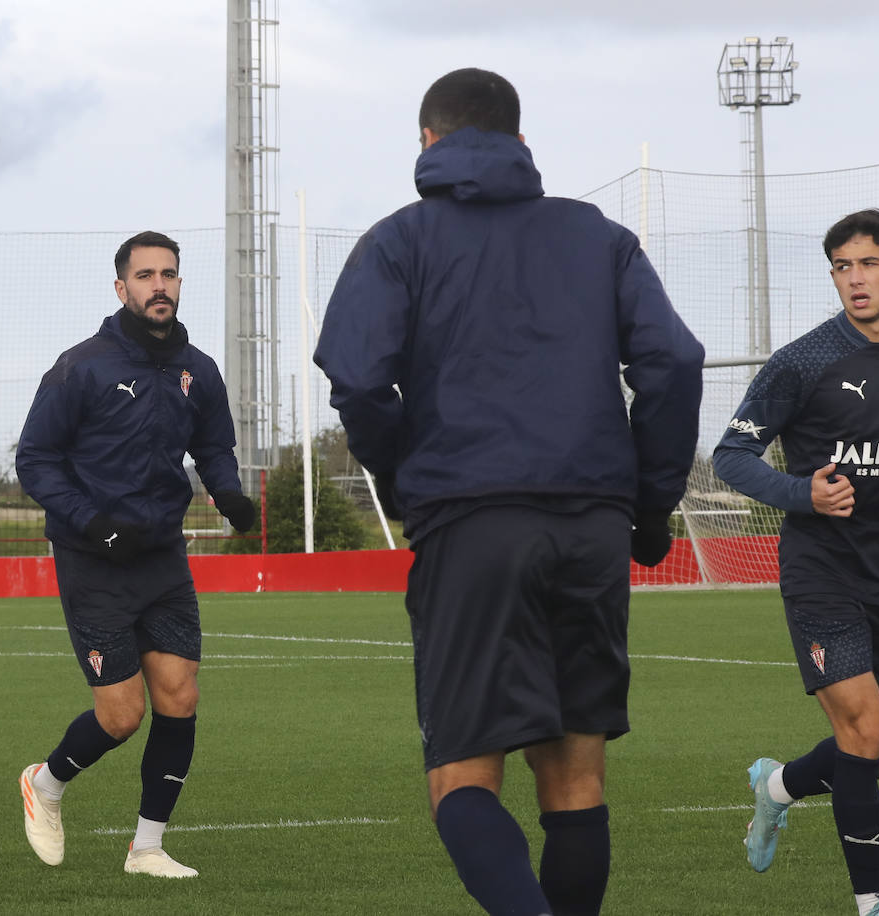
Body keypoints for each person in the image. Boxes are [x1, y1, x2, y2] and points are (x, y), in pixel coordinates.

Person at [313, 68, 704, 916]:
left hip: (473, 522)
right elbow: (674, 363)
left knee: (462, 775)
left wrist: (403, 476)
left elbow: (356, 377)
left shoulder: (400, 240)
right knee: (574, 777)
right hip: (592, 522)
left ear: (426, 143)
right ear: (523, 144)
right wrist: (648, 502)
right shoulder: (596, 236)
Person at [713, 209, 879, 916]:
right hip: (822, 573)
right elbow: (732, 454)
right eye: (842, 266)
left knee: (878, 752)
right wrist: (797, 493)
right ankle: (875, 902)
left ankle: (776, 788)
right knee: (862, 733)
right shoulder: (802, 361)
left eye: (868, 264)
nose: (855, 279)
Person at [14, 230, 257, 878]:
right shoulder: (81, 367)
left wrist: (230, 495)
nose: (160, 286)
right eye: (146, 275)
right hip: (93, 562)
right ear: (121, 288)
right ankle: (45, 783)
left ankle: (146, 848)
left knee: (179, 696)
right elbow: (35, 460)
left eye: (169, 274)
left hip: (161, 559)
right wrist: (92, 523)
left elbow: (212, 445)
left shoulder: (198, 370)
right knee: (121, 715)